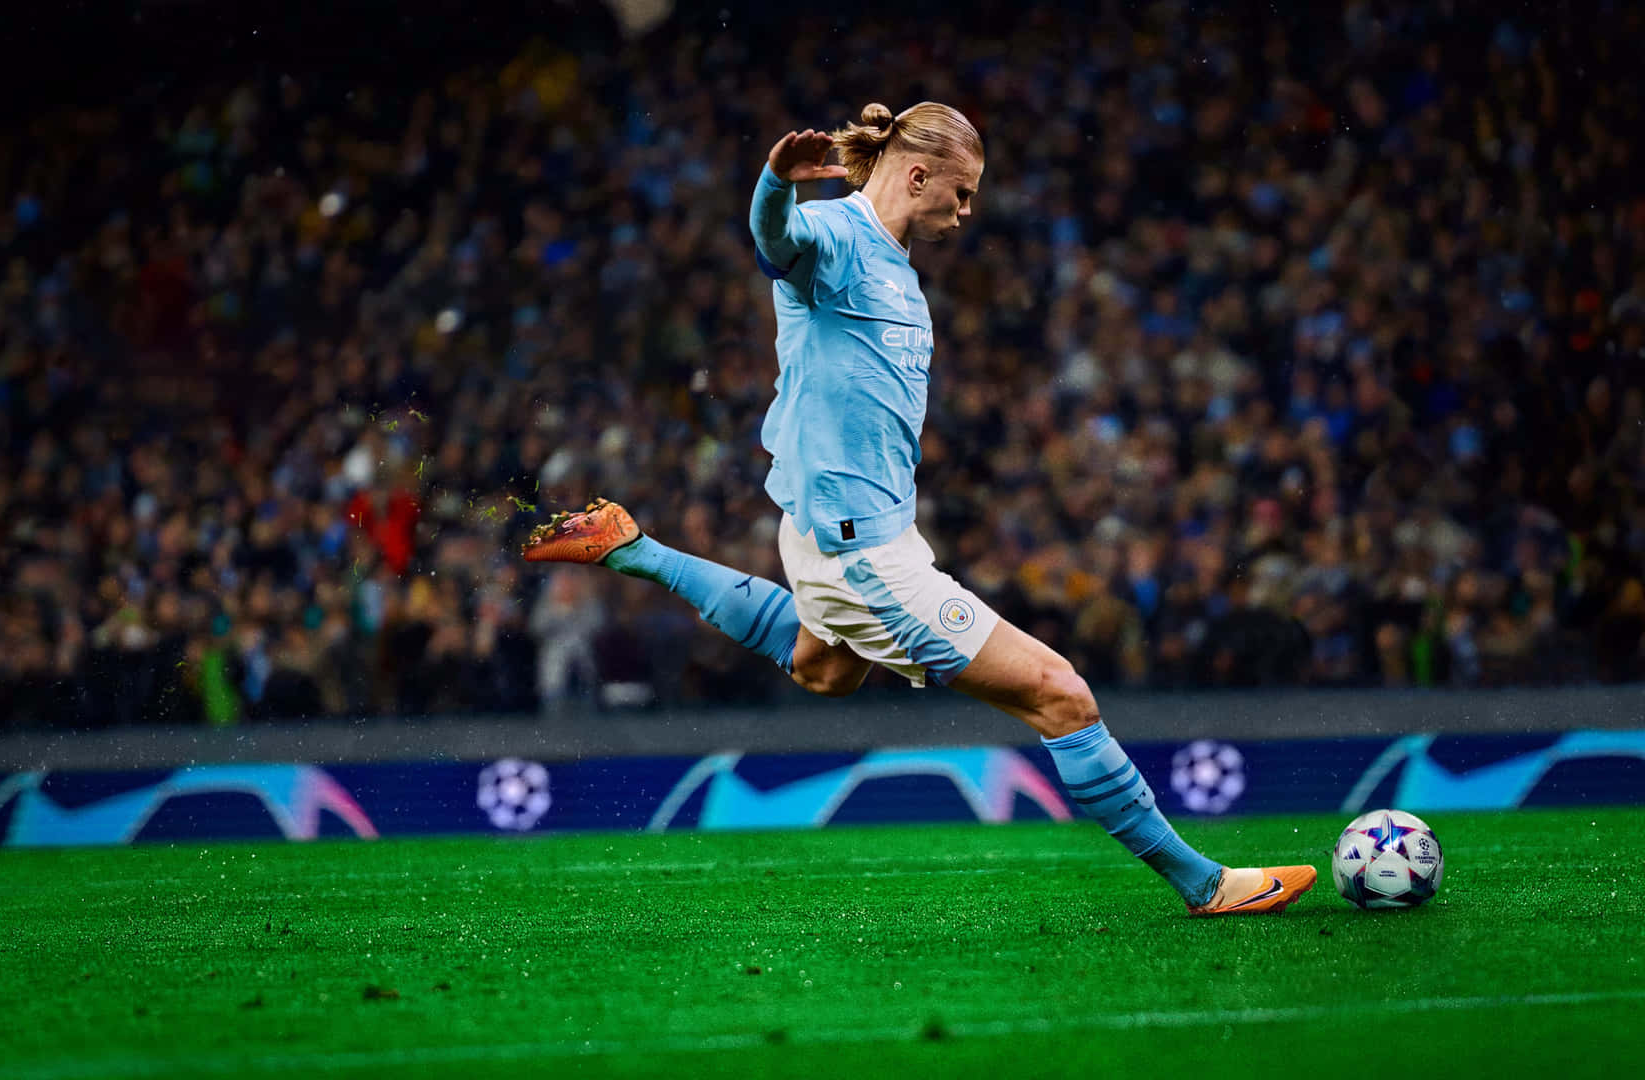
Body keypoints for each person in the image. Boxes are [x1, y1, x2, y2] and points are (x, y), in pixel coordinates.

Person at [525, 102, 1314, 916]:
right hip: (863, 552)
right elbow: (775, 241)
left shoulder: (897, 266)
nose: (967, 212)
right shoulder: (835, 233)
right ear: (916, 174)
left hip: (850, 536)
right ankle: (1205, 884)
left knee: (825, 668)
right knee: (1062, 693)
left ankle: (632, 547)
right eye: (962, 193)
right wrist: (774, 183)